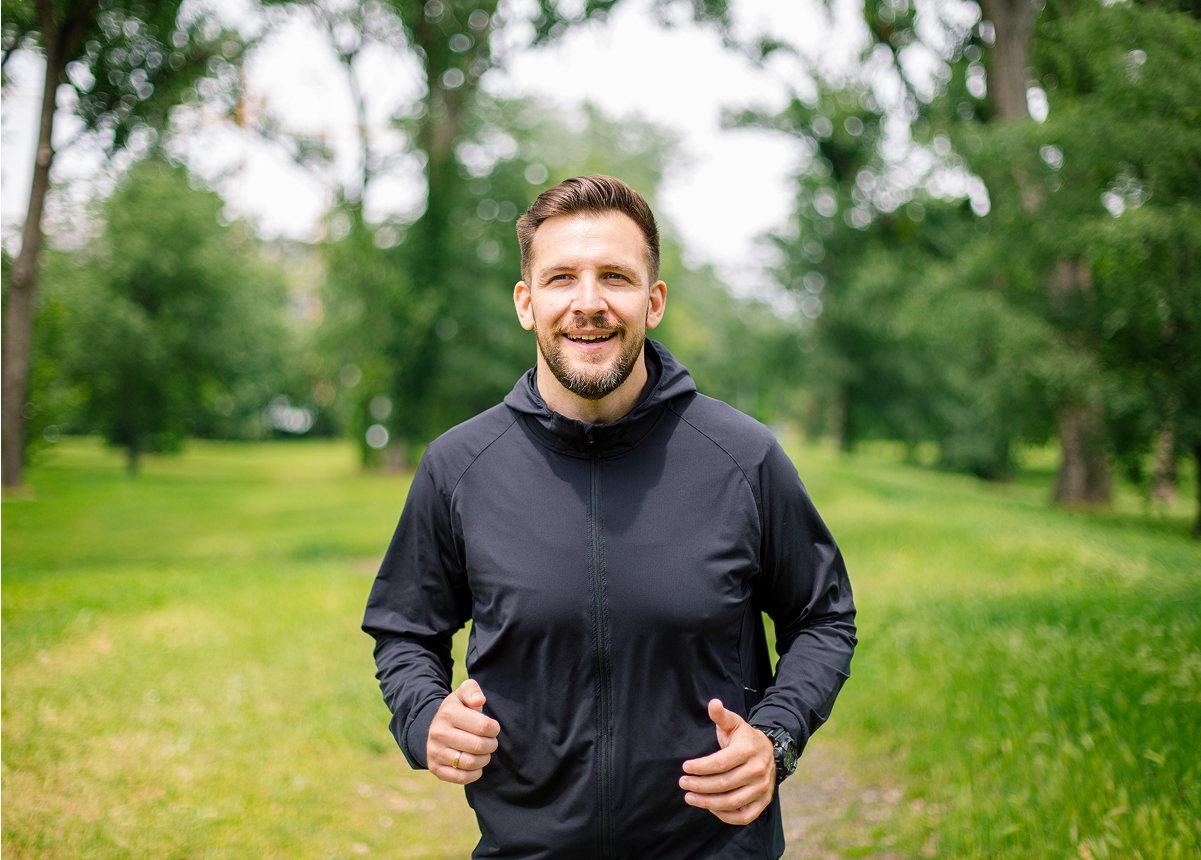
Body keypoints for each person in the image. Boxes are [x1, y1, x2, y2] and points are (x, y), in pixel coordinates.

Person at [363, 175, 856, 859]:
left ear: (653, 302)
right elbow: (405, 628)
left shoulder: (744, 459)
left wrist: (776, 737)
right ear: (526, 303)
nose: (588, 303)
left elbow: (822, 617)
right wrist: (426, 716)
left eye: (615, 277)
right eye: (561, 278)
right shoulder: (458, 466)